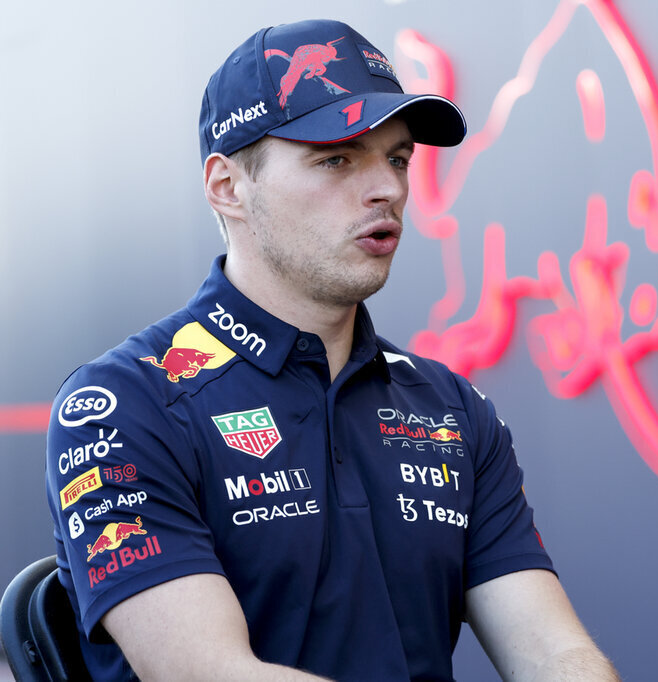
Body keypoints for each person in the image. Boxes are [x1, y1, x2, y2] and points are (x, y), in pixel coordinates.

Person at [45, 18, 619, 682]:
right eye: (337, 158)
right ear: (228, 187)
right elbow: (210, 673)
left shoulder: (453, 409)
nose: (390, 190)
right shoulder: (124, 405)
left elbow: (554, 653)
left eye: (398, 158)